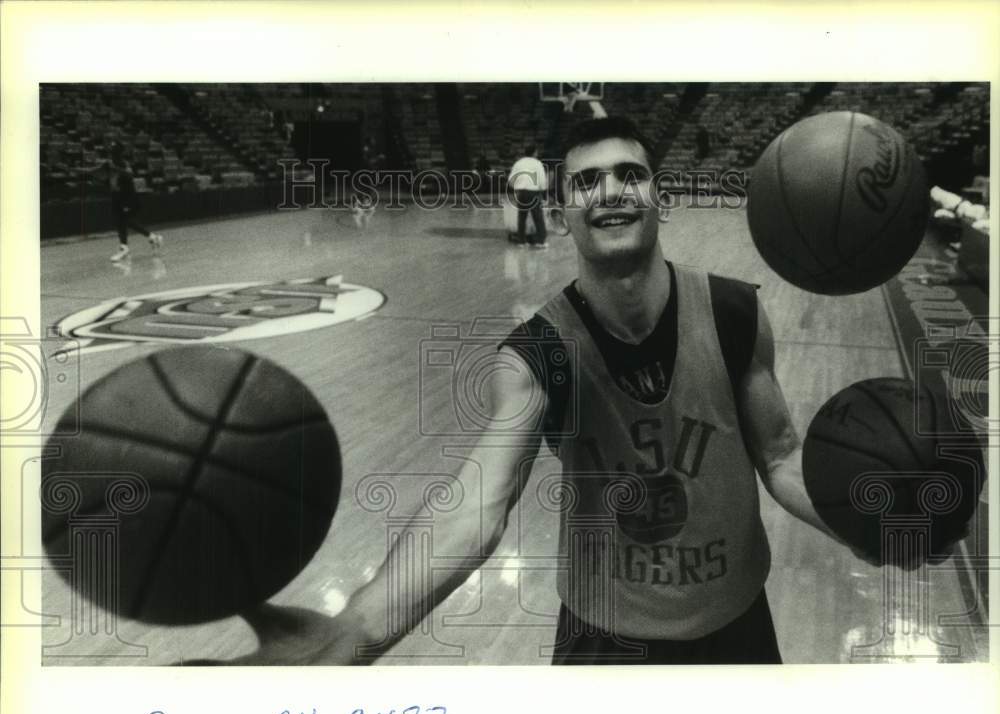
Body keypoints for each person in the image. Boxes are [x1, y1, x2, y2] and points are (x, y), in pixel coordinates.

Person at [185, 116, 856, 668]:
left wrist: (867, 516)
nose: (610, 190)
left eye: (631, 173)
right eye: (587, 180)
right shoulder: (539, 351)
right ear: (561, 209)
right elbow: (478, 505)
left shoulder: (735, 312)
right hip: (606, 642)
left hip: (738, 628)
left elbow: (781, 457)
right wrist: (356, 627)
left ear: (661, 198)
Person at [74, 141, 163, 262]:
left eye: (115, 151)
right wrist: (75, 170)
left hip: (127, 197)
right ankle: (137, 243)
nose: (112, 154)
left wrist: (115, 168)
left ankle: (132, 244)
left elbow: (130, 175)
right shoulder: (108, 163)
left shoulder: (123, 163)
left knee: (125, 220)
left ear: (120, 153)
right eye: (111, 151)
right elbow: (92, 170)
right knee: (119, 221)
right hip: (116, 196)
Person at [508, 143, 548, 248]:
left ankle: (521, 241)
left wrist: (516, 187)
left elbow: (511, 178)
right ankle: (540, 241)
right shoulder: (537, 163)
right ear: (534, 152)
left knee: (522, 217)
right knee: (538, 217)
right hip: (533, 192)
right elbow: (542, 179)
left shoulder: (518, 163)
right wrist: (543, 191)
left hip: (521, 192)